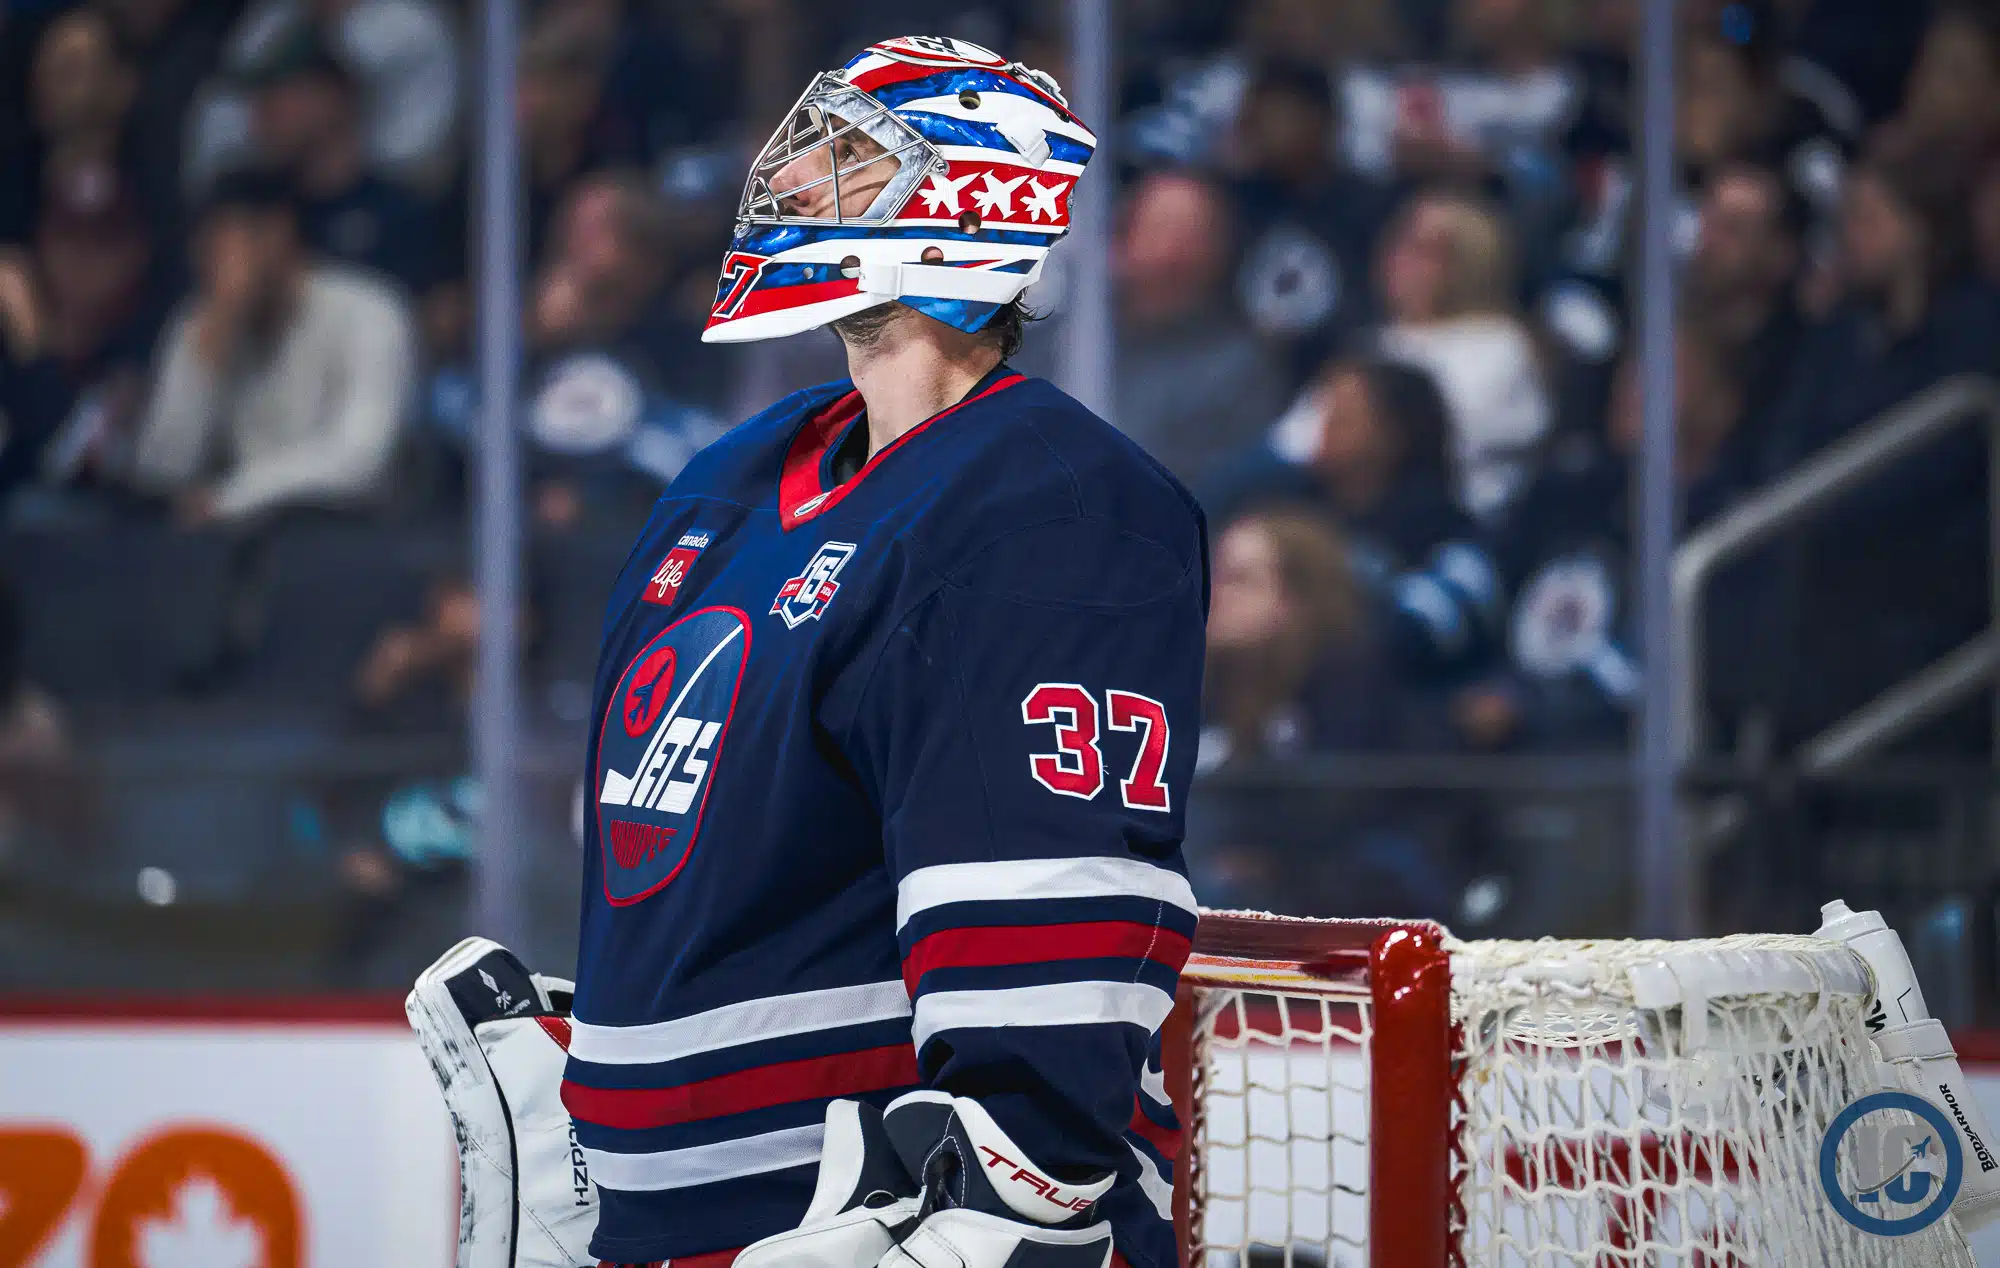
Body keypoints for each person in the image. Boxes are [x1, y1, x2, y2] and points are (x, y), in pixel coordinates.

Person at [407, 37, 1205, 1268]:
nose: (787, 180)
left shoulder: (1049, 502)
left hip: (864, 1227)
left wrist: (1013, 1197)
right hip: (668, 1231)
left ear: (967, 206)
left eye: (846, 158)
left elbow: (1048, 938)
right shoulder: (730, 476)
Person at [132, 165, 414, 526]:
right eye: (206, 247)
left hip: (355, 538)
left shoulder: (369, 312)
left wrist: (233, 497)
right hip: (236, 541)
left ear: (279, 234)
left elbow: (362, 459)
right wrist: (206, 358)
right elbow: (159, 474)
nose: (214, 263)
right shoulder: (200, 322)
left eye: (226, 244)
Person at [1371, 189, 1551, 521]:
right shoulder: (1376, 344)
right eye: (1398, 241)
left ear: (1471, 262)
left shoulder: (1501, 346)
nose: (1400, 259)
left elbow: (1451, 442)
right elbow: (1298, 440)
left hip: (1464, 517)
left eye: (1424, 249)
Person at [1112, 168, 1287, 483]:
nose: (1171, 253)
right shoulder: (1067, 339)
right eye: (1159, 230)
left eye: (1190, 237)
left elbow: (1224, 485)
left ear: (1221, 253)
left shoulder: (1241, 368)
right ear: (1121, 241)